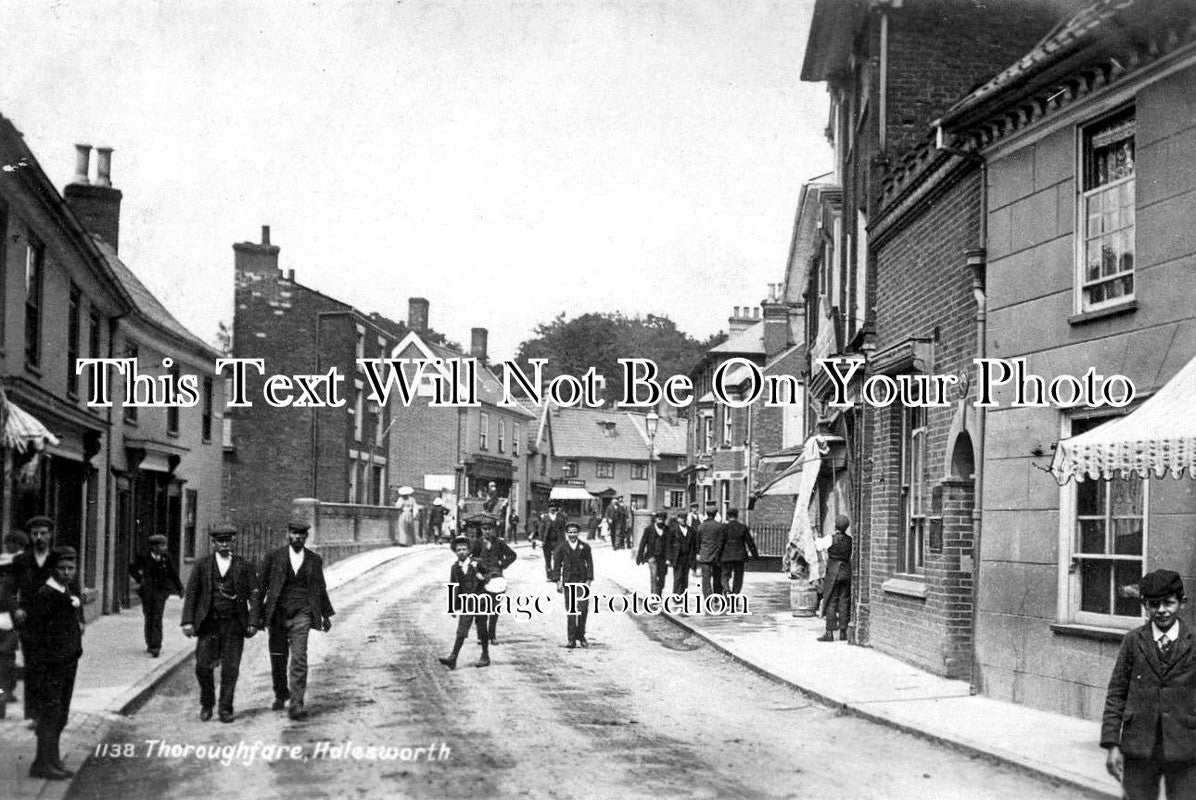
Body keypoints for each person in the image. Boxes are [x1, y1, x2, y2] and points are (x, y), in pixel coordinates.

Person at [1101, 569, 1196, 799]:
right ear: (1144, 605)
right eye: (1154, 604)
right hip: (1140, 747)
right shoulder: (1133, 641)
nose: (1161, 610)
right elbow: (1117, 692)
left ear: (1181, 602)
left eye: (1168, 603)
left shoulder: (1193, 641)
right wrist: (1112, 744)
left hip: (1186, 747)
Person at [256, 520, 334, 720]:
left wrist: (325, 614)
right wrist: (255, 616)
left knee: (299, 658)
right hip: (278, 614)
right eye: (294, 533)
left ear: (306, 536)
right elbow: (261, 587)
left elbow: (320, 588)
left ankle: (297, 704)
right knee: (278, 658)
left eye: (301, 534)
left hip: (303, 614)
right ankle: (281, 693)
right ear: (288, 534)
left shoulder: (313, 560)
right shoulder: (274, 557)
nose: (298, 537)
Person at [181, 525, 258, 723]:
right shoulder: (202, 565)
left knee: (230, 669)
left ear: (233, 542)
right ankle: (207, 703)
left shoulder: (244, 565)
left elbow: (254, 595)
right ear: (213, 543)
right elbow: (192, 594)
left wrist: (253, 621)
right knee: (202, 667)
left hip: (234, 624)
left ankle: (225, 708)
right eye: (220, 541)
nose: (224, 545)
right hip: (209, 624)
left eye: (228, 541)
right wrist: (188, 621)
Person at [24, 547, 83, 780]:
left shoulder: (65, 591)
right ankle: (43, 763)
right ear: (53, 569)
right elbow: (35, 636)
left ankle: (51, 760)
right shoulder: (46, 595)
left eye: (71, 568)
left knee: (60, 714)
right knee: (50, 713)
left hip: (67, 663)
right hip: (51, 667)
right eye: (62, 568)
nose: (67, 573)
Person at [14, 516, 64, 727]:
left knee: (51, 667)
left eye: (43, 533)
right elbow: (9, 589)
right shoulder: (21, 561)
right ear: (30, 536)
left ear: (50, 534)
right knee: (33, 666)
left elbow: (68, 586)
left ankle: (51, 712)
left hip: (53, 622)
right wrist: (15, 608)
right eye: (35, 534)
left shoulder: (58, 560)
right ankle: (35, 715)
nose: (39, 537)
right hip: (29, 622)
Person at [128, 534, 184, 658]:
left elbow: (172, 574)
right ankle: (149, 642)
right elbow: (131, 568)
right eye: (162, 545)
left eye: (165, 545)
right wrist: (139, 578)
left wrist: (180, 589)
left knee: (157, 618)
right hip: (147, 593)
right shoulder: (144, 558)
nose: (164, 548)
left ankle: (155, 646)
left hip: (161, 593)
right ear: (154, 547)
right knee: (149, 617)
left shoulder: (165, 558)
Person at [438, 537, 491, 669]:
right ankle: (453, 658)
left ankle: (485, 656)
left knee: (482, 629)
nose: (461, 552)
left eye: (464, 549)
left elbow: (490, 574)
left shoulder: (477, 563)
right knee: (461, 630)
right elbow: (454, 586)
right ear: (455, 552)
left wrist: (482, 576)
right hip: (467, 602)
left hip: (481, 601)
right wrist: (452, 607)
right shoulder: (455, 567)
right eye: (458, 550)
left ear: (469, 550)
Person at [472, 522, 516, 644]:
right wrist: (477, 571)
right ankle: (482, 636)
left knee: (494, 609)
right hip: (481, 579)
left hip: (496, 579)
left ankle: (492, 636)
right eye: (484, 528)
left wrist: (502, 563)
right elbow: (471, 559)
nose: (487, 531)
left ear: (493, 530)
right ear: (481, 529)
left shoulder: (499, 543)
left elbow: (512, 555)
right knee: (481, 609)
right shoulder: (477, 543)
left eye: (489, 529)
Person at [551, 523, 593, 648]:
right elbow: (557, 565)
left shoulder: (584, 547)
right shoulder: (562, 547)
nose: (573, 534)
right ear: (567, 533)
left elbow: (590, 564)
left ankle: (581, 635)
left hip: (582, 581)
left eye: (575, 532)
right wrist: (557, 581)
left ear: (578, 533)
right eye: (570, 532)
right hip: (569, 581)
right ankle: (571, 639)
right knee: (571, 611)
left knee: (583, 608)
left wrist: (589, 580)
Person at [0, 530, 28, 710]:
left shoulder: (9, 562)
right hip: (11, 616)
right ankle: (6, 691)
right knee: (7, 656)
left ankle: (5, 692)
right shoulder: (20, 564)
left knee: (6, 656)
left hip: (7, 615)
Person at [816, 515, 853, 642]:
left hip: (833, 571)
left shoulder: (830, 539)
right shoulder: (850, 540)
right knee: (844, 600)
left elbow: (818, 546)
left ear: (835, 526)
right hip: (846, 571)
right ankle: (844, 632)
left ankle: (829, 633)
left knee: (831, 600)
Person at [719, 509, 759, 596]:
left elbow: (720, 543)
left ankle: (726, 589)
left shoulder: (723, 527)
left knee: (725, 575)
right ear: (737, 516)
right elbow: (750, 542)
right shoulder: (743, 527)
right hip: (739, 556)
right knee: (738, 578)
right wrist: (755, 556)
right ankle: (735, 594)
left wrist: (718, 555)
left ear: (728, 516)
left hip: (726, 555)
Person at [661, 512, 698, 596]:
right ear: (678, 519)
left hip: (687, 557)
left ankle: (683, 595)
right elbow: (668, 545)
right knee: (677, 577)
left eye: (685, 518)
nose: (683, 520)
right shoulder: (673, 530)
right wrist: (668, 558)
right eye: (681, 518)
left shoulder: (691, 530)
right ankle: (676, 596)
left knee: (685, 577)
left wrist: (693, 557)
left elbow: (694, 545)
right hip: (677, 557)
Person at [696, 504, 727, 598]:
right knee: (717, 578)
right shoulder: (720, 526)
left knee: (706, 579)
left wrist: (698, 553)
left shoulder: (701, 526)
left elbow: (697, 542)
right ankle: (717, 597)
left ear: (707, 513)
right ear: (715, 514)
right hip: (717, 556)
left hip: (705, 556)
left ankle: (708, 598)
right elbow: (723, 541)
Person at [636, 511, 668, 595]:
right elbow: (643, 543)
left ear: (664, 520)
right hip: (652, 556)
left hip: (663, 558)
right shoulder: (649, 529)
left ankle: (659, 594)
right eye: (658, 519)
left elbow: (670, 545)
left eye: (662, 520)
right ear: (655, 520)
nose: (660, 521)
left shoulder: (667, 530)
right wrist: (639, 557)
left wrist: (669, 558)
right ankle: (654, 597)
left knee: (662, 577)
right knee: (654, 576)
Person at [539, 502, 567, 581]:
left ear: (556, 508)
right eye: (551, 507)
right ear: (548, 509)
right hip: (547, 542)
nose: (552, 508)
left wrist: (563, 541)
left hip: (557, 541)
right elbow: (541, 530)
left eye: (554, 507)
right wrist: (541, 540)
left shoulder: (560, 517)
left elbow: (563, 529)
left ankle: (556, 576)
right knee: (547, 559)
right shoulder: (545, 518)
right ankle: (549, 576)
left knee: (557, 558)